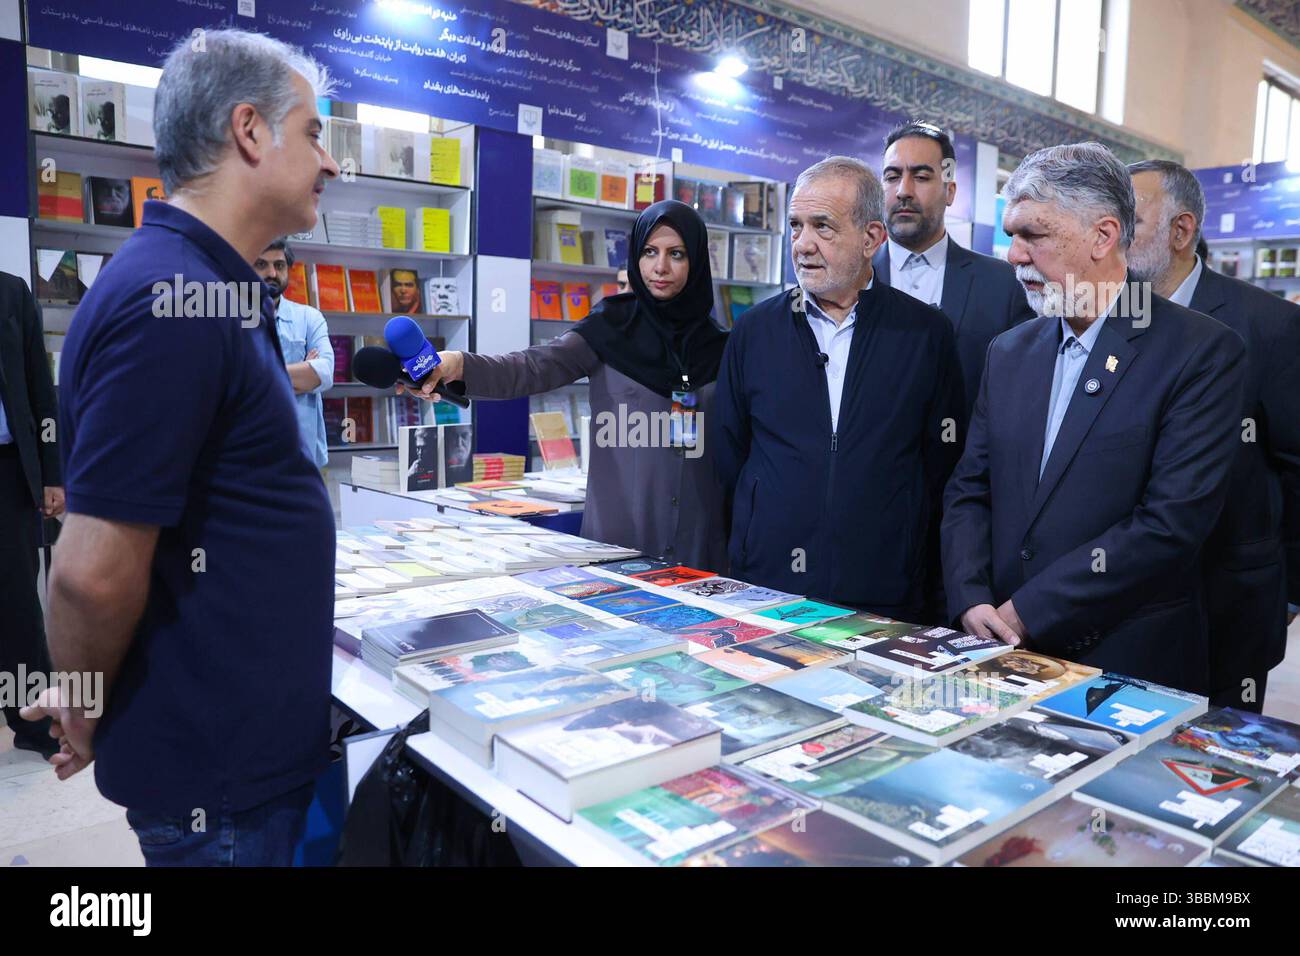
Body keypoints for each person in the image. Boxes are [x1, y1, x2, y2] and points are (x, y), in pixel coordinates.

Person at [21, 29, 340, 866]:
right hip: (221, 782)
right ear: (249, 131)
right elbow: (91, 572)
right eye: (313, 131)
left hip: (237, 758)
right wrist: (83, 704)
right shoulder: (175, 301)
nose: (331, 161)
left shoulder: (205, 288)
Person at [942, 143, 1247, 693]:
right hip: (996, 648)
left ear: (1102, 237)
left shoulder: (1200, 351)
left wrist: (1028, 611)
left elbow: (1169, 523)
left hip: (1124, 662)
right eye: (1012, 235)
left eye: (1033, 234)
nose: (1013, 255)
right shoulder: (1009, 351)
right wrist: (970, 597)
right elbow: (970, 489)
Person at [403, 200, 729, 568]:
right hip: (622, 542)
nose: (660, 267)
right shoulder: (610, 328)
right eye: (650, 252)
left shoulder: (723, 347)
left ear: (697, 261)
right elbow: (532, 367)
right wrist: (460, 365)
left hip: (701, 546)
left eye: (677, 254)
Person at [713, 156, 965, 621]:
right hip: (769, 586)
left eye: (822, 227)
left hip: (884, 589)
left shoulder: (925, 334)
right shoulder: (753, 332)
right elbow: (730, 454)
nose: (803, 245)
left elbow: (941, 461)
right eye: (795, 226)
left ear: (871, 238)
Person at [1128, 158, 1300, 710]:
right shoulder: (1112, 316)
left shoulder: (1267, 324)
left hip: (1226, 606)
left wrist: (1287, 593)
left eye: (1128, 219)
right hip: (1124, 605)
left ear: (1181, 231)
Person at [873, 121, 1035, 413]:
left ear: (949, 191)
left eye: (921, 177)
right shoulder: (853, 279)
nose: (903, 191)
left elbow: (1019, 397)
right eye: (892, 177)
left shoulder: (1003, 286)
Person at [0, 271, 63, 758]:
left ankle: (33, 721)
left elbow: (40, 388)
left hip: (9, 472)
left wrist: (51, 473)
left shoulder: (12, 292)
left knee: (19, 602)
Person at [254, 238, 334, 468]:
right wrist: (302, 373)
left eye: (279, 266)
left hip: (303, 454)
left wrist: (257, 376)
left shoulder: (309, 318)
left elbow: (325, 373)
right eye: (261, 265)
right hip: (250, 454)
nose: (272, 273)